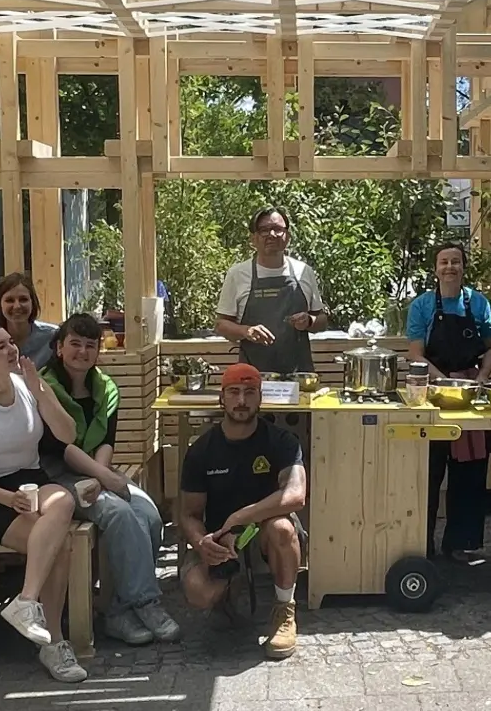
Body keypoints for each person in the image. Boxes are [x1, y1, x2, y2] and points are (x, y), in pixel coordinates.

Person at [0, 321, 85, 683]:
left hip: (31, 480)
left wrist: (40, 391)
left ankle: (26, 601)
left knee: (63, 501)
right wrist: (8, 498)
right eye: (0, 347)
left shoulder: (29, 383)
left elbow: (68, 434)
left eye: (11, 342)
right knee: (59, 544)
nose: (12, 350)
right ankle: (54, 643)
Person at [40, 314, 180, 645]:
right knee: (118, 513)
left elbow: (107, 441)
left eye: (91, 346)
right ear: (59, 348)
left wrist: (101, 477)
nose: (83, 352)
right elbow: (59, 448)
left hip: (97, 468)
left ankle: (117, 611)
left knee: (149, 514)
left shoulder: (106, 387)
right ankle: (146, 603)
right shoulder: (45, 388)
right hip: (56, 476)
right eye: (75, 344)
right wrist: (103, 478)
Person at [178, 364, 306, 660]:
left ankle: (284, 609)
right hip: (221, 538)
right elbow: (188, 514)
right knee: (198, 591)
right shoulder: (201, 450)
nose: (241, 400)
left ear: (260, 398)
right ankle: (229, 586)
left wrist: (242, 516)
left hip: (265, 532)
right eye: (234, 392)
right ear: (221, 398)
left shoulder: (281, 441)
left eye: (250, 392)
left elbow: (295, 495)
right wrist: (201, 542)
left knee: (282, 529)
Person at [406, 243, 491, 562]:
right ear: (435, 269)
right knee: (428, 473)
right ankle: (421, 543)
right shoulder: (422, 306)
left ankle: (461, 543)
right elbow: (416, 354)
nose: (450, 267)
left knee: (470, 473)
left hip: (471, 396)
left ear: (463, 267)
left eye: (455, 262)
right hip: (432, 394)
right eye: (444, 262)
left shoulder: (478, 303)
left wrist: (482, 376)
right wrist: (445, 382)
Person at [214, 207, 331, 376]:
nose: (271, 234)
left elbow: (322, 320)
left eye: (277, 229)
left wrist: (309, 321)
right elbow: (221, 325)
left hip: (299, 376)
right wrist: (246, 331)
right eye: (264, 230)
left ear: (287, 236)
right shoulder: (237, 274)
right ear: (253, 238)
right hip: (252, 379)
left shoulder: (304, 271)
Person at [0, 273, 59, 367]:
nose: (17, 306)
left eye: (23, 299)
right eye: (10, 300)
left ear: (32, 302)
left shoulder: (53, 337)